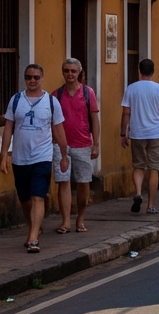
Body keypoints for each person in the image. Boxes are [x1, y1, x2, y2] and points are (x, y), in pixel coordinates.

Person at [1, 64, 69, 252]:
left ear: (42, 78)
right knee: (25, 198)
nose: (32, 80)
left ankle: (33, 238)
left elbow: (59, 130)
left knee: (38, 196)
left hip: (42, 156)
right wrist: (3, 154)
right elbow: (8, 127)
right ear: (25, 79)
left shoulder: (51, 102)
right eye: (29, 77)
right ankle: (33, 228)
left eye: (36, 77)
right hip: (20, 158)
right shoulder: (16, 100)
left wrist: (64, 155)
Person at [52, 57, 99, 234]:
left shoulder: (88, 93)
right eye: (66, 71)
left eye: (73, 71)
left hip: (83, 144)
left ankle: (80, 217)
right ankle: (65, 221)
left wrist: (96, 144)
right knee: (63, 182)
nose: (69, 74)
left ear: (79, 73)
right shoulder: (55, 95)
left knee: (83, 182)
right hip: (60, 145)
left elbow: (95, 120)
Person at [120, 58, 159, 214]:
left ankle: (137, 193)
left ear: (139, 71)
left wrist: (124, 133)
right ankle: (150, 206)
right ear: (153, 71)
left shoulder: (131, 89)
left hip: (137, 133)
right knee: (154, 169)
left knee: (138, 166)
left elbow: (126, 113)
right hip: (155, 133)